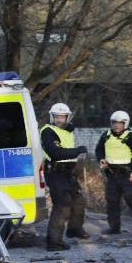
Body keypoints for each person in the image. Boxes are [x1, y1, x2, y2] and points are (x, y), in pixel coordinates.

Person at [39, 103, 89, 251]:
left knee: (78, 200)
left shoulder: (68, 131)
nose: (60, 119)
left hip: (68, 172)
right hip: (55, 172)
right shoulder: (48, 131)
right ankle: (54, 242)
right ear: (52, 117)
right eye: (57, 117)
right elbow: (56, 152)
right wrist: (77, 151)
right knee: (62, 205)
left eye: (62, 117)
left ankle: (74, 229)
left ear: (67, 117)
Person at [95, 110, 132, 237]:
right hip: (112, 174)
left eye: (120, 123)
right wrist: (101, 159)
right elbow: (98, 150)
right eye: (115, 123)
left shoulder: (131, 137)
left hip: (128, 175)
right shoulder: (106, 135)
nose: (117, 125)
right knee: (112, 201)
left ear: (125, 124)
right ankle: (114, 228)